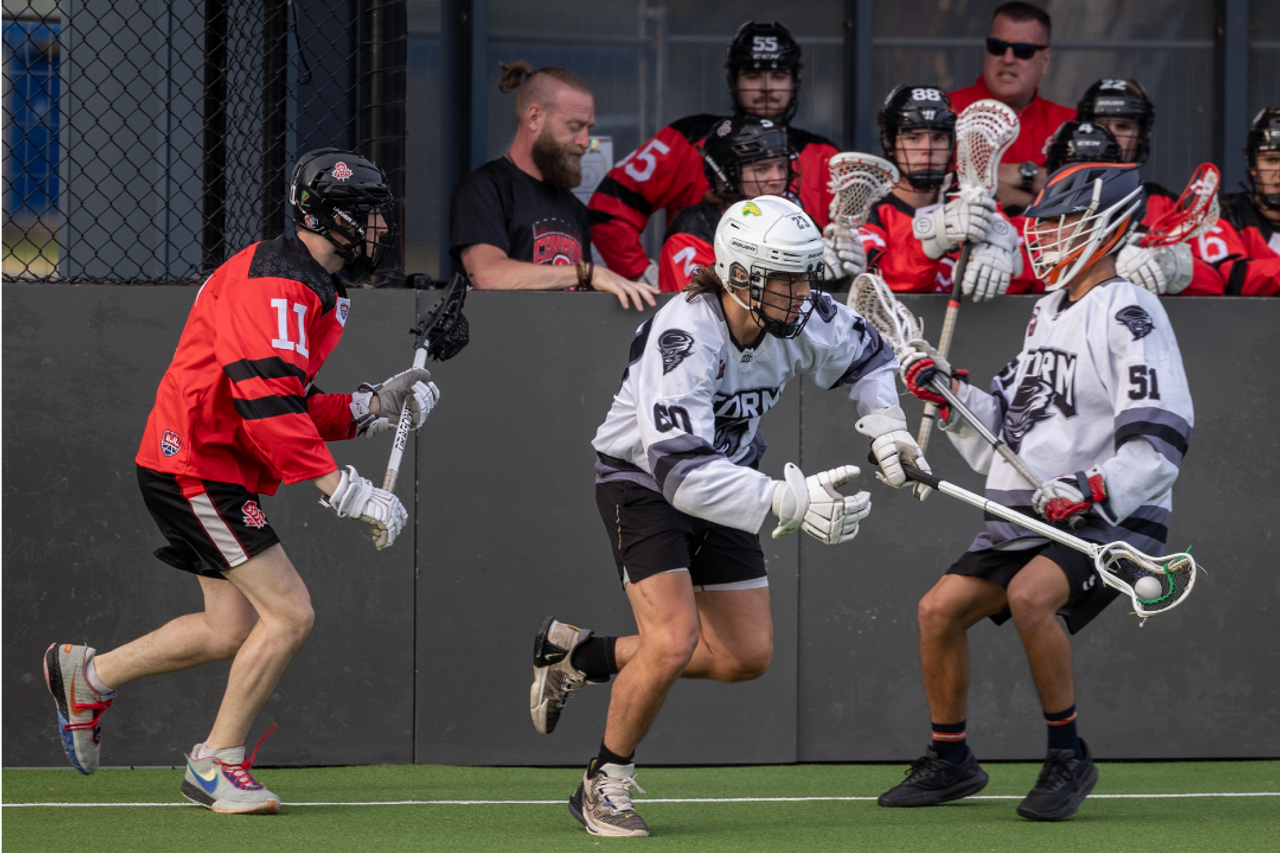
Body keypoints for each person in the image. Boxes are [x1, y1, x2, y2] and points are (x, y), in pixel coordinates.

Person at [43, 149, 438, 814]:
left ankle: (89, 674)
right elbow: (265, 401)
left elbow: (289, 396)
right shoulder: (278, 283)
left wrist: (373, 406)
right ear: (330, 217)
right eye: (368, 216)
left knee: (228, 627)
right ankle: (215, 761)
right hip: (197, 460)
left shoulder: (313, 284)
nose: (379, 231)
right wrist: (341, 488)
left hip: (207, 458)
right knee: (290, 613)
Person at [527, 195, 930, 837]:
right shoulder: (684, 333)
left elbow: (874, 358)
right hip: (645, 484)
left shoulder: (800, 318)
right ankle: (603, 783)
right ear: (741, 275)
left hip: (730, 474)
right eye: (787, 279)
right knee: (672, 639)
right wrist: (785, 501)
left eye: (806, 275)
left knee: (744, 655)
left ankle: (582, 656)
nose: (804, 294)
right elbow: (680, 475)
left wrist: (886, 430)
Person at [881, 163, 1193, 821]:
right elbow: (1009, 424)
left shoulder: (1131, 310)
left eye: (1062, 224)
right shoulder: (1047, 309)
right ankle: (952, 759)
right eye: (1044, 223)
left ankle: (1067, 754)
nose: (1046, 237)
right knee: (938, 610)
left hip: (1110, 513)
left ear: (1107, 229)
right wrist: (946, 388)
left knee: (1030, 597)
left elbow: (1162, 438)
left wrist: (1092, 486)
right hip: (1033, 510)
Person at [588, 21, 840, 285]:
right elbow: (608, 208)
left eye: (778, 76)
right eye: (753, 76)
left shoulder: (824, 154)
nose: (767, 88)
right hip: (704, 304)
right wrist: (638, 273)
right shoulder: (686, 139)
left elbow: (854, 238)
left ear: (794, 81)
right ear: (733, 81)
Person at [450, 61, 658, 311]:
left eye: (588, 128)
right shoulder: (485, 189)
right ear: (535, 118)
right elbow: (487, 276)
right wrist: (586, 273)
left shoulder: (574, 208)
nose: (584, 142)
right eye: (574, 126)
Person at [658, 116, 860, 291]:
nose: (777, 179)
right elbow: (705, 311)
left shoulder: (797, 223)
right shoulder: (693, 231)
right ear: (723, 176)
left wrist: (845, 279)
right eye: (761, 169)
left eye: (782, 167)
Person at [862, 85, 1024, 300]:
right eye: (913, 137)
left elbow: (1021, 282)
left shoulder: (975, 196)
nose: (927, 148)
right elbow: (876, 281)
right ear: (890, 143)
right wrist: (931, 242)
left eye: (938, 138)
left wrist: (1003, 256)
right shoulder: (866, 207)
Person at [1043, 106, 1220, 296]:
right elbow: (1024, 277)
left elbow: (1215, 285)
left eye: (1097, 173)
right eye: (1073, 174)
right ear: (1053, 174)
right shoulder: (1031, 221)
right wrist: (1110, 261)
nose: (1085, 185)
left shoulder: (1140, 214)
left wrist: (1174, 266)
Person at [949, 2, 1075, 209]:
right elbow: (933, 187)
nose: (1008, 59)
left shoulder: (1070, 123)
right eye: (997, 47)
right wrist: (1034, 187)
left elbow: (1086, 199)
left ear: (1045, 60)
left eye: (1023, 50)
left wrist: (1006, 183)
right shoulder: (947, 111)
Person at [1196, 107, 1280, 295]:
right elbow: (1226, 276)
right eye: (1272, 160)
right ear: (1253, 166)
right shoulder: (1223, 213)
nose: (1279, 172)